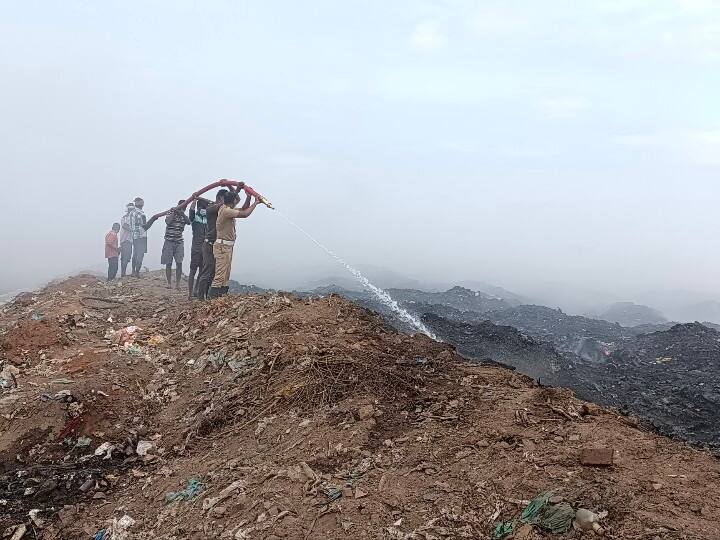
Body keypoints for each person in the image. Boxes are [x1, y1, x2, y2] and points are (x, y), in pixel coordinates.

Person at [208, 190, 261, 298]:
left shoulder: (226, 208)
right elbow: (245, 214)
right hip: (223, 247)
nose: (237, 202)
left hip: (227, 246)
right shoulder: (226, 211)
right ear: (232, 202)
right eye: (236, 201)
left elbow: (243, 209)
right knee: (220, 275)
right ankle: (211, 299)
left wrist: (249, 197)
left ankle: (221, 298)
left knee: (226, 275)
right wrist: (256, 203)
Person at [196, 187, 235, 300]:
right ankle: (200, 298)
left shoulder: (224, 208)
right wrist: (198, 197)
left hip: (219, 245)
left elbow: (233, 200)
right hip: (210, 244)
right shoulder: (211, 208)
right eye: (225, 198)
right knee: (208, 270)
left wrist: (233, 187)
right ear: (219, 198)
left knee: (216, 273)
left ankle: (210, 297)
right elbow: (225, 203)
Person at [161, 200, 191, 289]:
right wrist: (174, 211)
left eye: (185, 208)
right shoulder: (171, 212)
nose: (184, 209)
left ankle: (177, 284)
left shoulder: (183, 216)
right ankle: (169, 283)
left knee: (179, 263)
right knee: (168, 263)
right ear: (179, 206)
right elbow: (168, 221)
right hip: (169, 241)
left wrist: (181, 213)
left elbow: (189, 222)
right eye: (182, 207)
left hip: (179, 241)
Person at [187, 198, 209, 299]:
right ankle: (190, 293)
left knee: (202, 271)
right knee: (193, 270)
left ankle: (196, 290)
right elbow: (191, 211)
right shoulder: (195, 218)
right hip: (196, 248)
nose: (204, 209)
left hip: (205, 249)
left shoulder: (208, 218)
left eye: (205, 207)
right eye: (202, 207)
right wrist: (195, 199)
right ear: (199, 208)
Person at [129, 197, 147, 277]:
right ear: (140, 203)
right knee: (140, 254)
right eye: (142, 202)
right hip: (141, 236)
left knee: (135, 253)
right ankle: (137, 272)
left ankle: (133, 271)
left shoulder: (131, 212)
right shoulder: (141, 213)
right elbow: (145, 225)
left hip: (134, 236)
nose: (143, 203)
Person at [119, 202, 134, 277]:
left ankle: (123, 273)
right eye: (130, 209)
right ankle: (123, 273)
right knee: (125, 257)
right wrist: (133, 230)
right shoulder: (124, 218)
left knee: (127, 257)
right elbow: (124, 226)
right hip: (124, 240)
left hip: (130, 240)